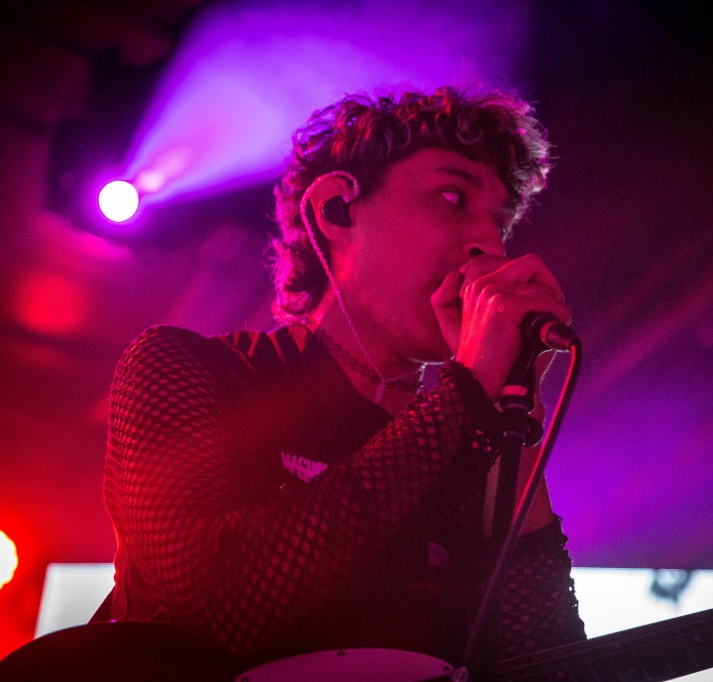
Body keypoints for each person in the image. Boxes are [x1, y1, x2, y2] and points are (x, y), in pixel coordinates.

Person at [92, 86, 586, 672]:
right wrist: (468, 393)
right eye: (452, 197)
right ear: (336, 209)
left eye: (501, 221)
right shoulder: (185, 367)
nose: (489, 243)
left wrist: (514, 419)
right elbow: (218, 605)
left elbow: (548, 671)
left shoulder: (468, 447)